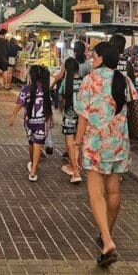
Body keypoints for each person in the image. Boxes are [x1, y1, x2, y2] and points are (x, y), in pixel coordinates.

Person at [74, 41, 138, 268]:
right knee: (114, 190)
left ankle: (108, 240)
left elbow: (82, 116)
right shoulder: (125, 80)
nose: (92, 59)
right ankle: (105, 234)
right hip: (119, 144)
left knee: (96, 193)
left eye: (94, 55)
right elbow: (136, 109)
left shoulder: (90, 80)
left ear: (100, 58)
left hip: (95, 143)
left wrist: (77, 143)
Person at [51, 41, 90, 184]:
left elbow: (60, 98)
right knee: (78, 142)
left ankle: (75, 170)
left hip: (69, 115)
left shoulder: (64, 85)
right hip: (83, 116)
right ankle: (76, 166)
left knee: (70, 141)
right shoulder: (85, 82)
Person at [9, 65, 53, 182]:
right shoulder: (45, 90)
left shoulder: (26, 89)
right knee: (38, 144)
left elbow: (20, 103)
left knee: (31, 143)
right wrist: (50, 120)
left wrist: (13, 115)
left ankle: (33, 164)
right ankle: (33, 170)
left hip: (29, 122)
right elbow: (49, 107)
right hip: (41, 122)